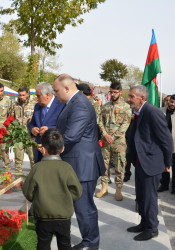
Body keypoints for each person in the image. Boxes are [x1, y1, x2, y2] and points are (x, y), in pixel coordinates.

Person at [54, 74, 105, 250]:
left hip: (83, 165)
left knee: (84, 208)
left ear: (67, 88)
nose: (55, 94)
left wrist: (50, 144)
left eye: (56, 91)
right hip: (76, 163)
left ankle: (91, 243)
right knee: (80, 206)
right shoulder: (72, 103)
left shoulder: (80, 105)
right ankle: (88, 239)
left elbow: (71, 136)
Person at [22, 129, 82, 250]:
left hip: (43, 216)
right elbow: (77, 191)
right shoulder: (67, 168)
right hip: (63, 217)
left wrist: (38, 198)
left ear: (43, 149)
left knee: (43, 245)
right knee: (65, 245)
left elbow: (28, 192)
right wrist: (67, 198)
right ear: (63, 148)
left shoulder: (37, 168)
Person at [126, 85, 173, 241]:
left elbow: (166, 139)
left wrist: (168, 162)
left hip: (151, 163)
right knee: (140, 196)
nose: (128, 99)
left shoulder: (152, 112)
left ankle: (152, 228)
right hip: (140, 162)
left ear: (142, 98)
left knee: (149, 198)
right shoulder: (138, 112)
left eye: (132, 96)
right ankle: (144, 223)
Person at [96, 82, 132, 200]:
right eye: (111, 92)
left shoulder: (126, 107)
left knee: (119, 166)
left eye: (115, 92)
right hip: (105, 142)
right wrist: (105, 134)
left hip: (119, 142)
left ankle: (118, 190)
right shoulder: (105, 106)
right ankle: (104, 188)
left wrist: (114, 136)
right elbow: (100, 121)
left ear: (120, 92)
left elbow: (126, 124)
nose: (112, 94)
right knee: (104, 165)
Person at [28, 82, 64, 163]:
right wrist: (32, 129)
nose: (37, 98)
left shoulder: (61, 105)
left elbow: (64, 125)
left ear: (47, 95)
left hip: (53, 149)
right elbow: (32, 123)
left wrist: (49, 129)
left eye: (38, 96)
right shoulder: (37, 106)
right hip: (39, 148)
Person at [10, 86, 35, 173]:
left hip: (29, 136)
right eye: (20, 95)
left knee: (33, 158)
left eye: (23, 95)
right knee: (18, 159)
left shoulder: (34, 105)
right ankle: (18, 179)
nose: (21, 97)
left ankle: (34, 177)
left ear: (28, 94)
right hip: (18, 136)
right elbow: (11, 119)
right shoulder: (15, 105)